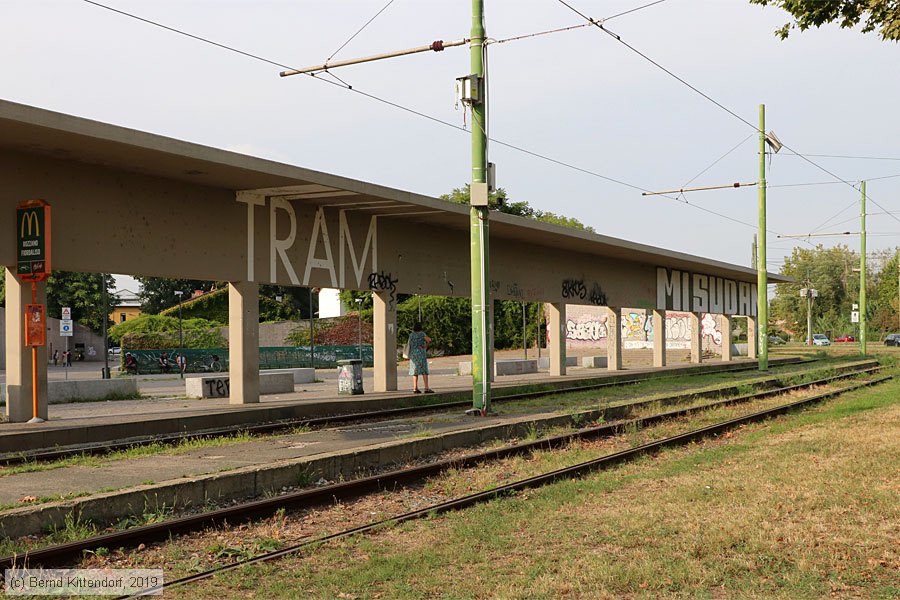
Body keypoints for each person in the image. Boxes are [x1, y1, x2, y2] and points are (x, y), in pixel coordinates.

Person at [407, 322, 433, 393]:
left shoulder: (411, 335)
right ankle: (426, 388)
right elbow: (429, 340)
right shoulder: (422, 334)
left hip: (413, 354)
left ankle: (415, 388)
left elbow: (409, 344)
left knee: (415, 371)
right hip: (421, 353)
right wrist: (426, 345)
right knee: (424, 370)